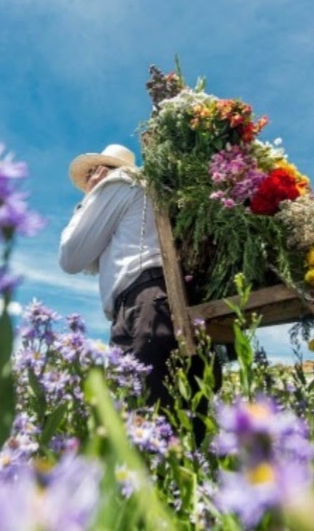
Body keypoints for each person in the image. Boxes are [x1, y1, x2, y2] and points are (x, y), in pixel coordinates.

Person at [59, 144, 218, 441]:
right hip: (169, 296)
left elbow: (71, 257)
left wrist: (86, 202)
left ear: (107, 170)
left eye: (96, 170)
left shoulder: (117, 185)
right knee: (185, 415)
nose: (94, 177)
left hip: (142, 299)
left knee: (142, 415)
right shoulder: (147, 192)